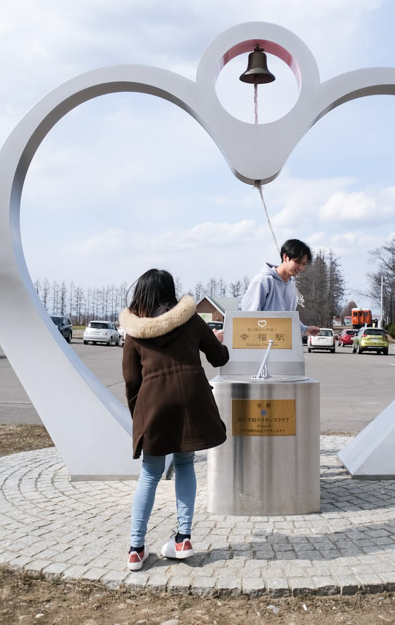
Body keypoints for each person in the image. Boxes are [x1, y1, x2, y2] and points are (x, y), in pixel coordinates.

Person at [119, 268, 229, 572]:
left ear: (142, 295)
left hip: (153, 407)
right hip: (192, 405)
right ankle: (183, 540)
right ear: (170, 292)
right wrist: (219, 341)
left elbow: (131, 381)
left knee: (150, 474)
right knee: (184, 464)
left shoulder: (135, 331)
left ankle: (135, 549)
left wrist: (138, 417)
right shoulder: (191, 320)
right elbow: (219, 358)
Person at [239, 238, 321, 338]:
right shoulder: (263, 281)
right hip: (260, 345)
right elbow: (249, 316)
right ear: (285, 257)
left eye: (304, 264)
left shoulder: (291, 285)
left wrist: (304, 329)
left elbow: (288, 318)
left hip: (281, 344)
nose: (301, 267)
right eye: (298, 262)